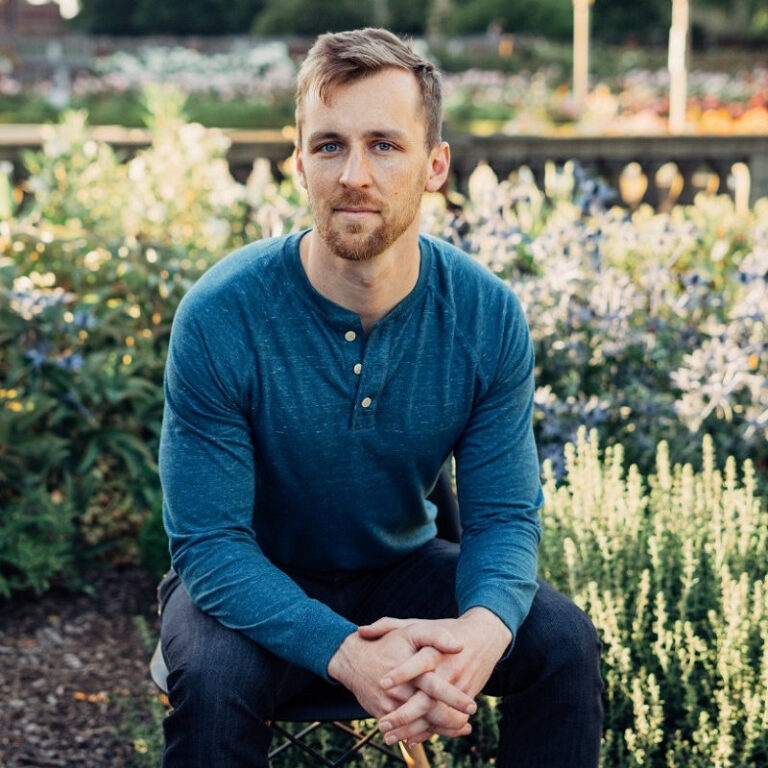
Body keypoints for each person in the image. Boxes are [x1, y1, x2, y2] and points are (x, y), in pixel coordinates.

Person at [157, 27, 603, 768]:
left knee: (560, 641)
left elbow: (502, 517)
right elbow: (210, 544)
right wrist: (347, 654)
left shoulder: (485, 315)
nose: (354, 175)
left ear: (435, 166)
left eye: (385, 145)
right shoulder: (222, 314)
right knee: (211, 676)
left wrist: (479, 634)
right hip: (251, 582)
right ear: (299, 162)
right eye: (330, 145)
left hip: (403, 572)